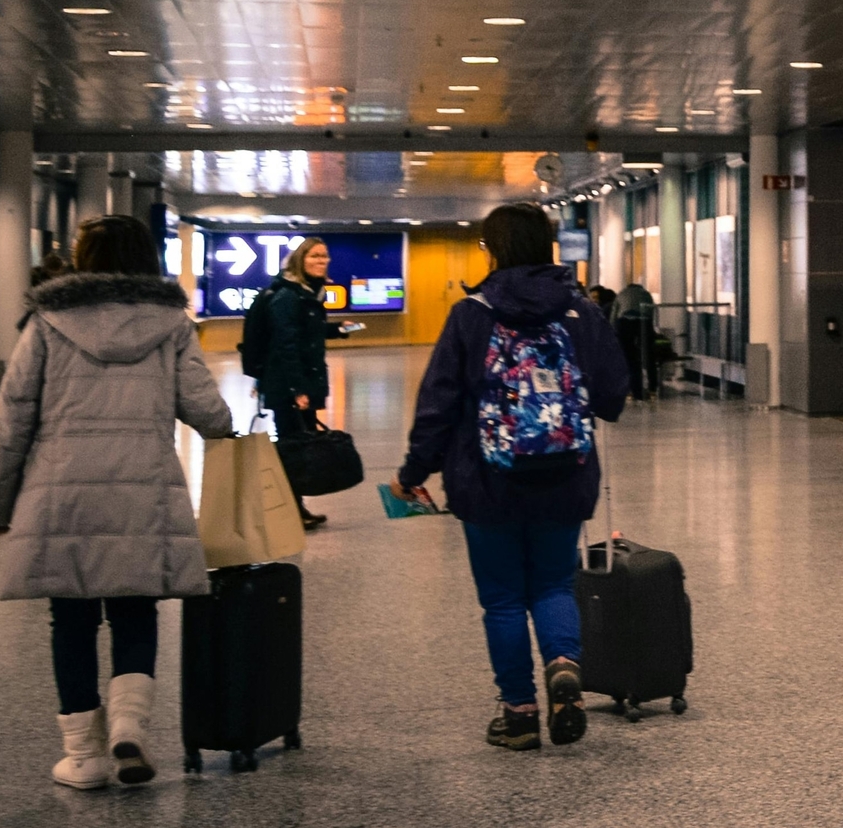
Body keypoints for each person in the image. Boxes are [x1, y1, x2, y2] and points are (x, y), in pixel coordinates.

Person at [0, 215, 233, 791]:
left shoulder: (46, 321)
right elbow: (207, 412)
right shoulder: (171, 324)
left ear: (84, 259)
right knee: (135, 610)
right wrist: (227, 428)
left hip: (61, 490)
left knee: (70, 619)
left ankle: (83, 758)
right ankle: (129, 727)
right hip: (143, 488)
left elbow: (12, 420)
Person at [390, 203, 629, 752]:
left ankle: (519, 714)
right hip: (565, 475)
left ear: (493, 249)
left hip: (487, 480)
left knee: (502, 600)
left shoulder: (471, 314)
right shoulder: (580, 311)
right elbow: (613, 396)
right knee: (553, 583)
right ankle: (564, 666)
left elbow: (438, 405)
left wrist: (413, 471)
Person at [257, 236, 352, 530]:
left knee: (298, 446)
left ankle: (295, 509)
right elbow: (286, 344)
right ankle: (290, 511)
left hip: (302, 382)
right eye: (314, 256)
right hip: (289, 386)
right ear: (301, 260)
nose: (321, 261)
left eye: (324, 256)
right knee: (293, 448)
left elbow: (306, 333)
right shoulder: (288, 296)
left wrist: (336, 330)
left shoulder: (308, 293)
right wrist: (297, 389)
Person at [611, 283, 659, 400]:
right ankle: (652, 389)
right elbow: (652, 312)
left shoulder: (622, 293)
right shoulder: (646, 294)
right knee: (648, 355)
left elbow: (614, 315)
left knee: (629, 357)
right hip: (644, 322)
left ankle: (633, 390)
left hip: (625, 323)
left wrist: (612, 330)